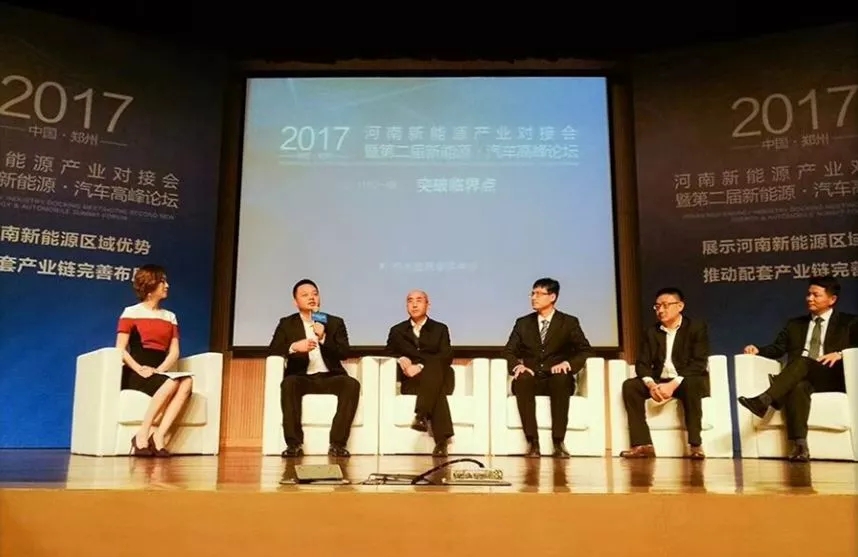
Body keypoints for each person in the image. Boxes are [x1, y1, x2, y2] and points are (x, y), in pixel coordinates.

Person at [737, 275, 857, 462]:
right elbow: (777, 349)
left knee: (802, 361)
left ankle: (767, 398)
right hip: (801, 376)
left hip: (831, 376)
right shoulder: (795, 324)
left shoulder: (849, 322)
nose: (810, 298)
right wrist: (758, 350)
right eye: (808, 294)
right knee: (798, 386)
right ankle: (800, 445)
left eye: (816, 295)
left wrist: (841, 354)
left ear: (832, 299)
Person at [502, 277, 594, 458]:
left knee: (561, 379)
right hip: (531, 378)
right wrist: (517, 366)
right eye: (532, 293)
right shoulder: (523, 323)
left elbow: (586, 350)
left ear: (552, 297)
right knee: (522, 380)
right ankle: (532, 442)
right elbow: (508, 351)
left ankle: (558, 442)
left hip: (557, 378)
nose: (533, 298)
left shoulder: (569, 322)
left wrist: (568, 364)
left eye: (539, 294)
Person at [268, 279, 359, 458]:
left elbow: (344, 352)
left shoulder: (334, 322)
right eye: (305, 295)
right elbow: (273, 350)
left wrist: (324, 337)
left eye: (315, 294)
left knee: (351, 384)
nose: (311, 297)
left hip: (330, 377)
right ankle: (294, 445)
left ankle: (337, 444)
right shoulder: (287, 323)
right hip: (302, 377)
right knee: (288, 383)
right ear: (295, 302)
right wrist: (294, 347)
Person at [618, 287, 710, 460]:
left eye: (666, 305)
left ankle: (695, 445)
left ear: (680, 306)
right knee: (630, 386)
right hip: (659, 380)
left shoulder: (696, 328)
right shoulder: (651, 332)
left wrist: (673, 384)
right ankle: (643, 444)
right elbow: (642, 364)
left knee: (692, 384)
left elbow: (698, 363)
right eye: (657, 306)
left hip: (685, 379)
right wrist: (651, 385)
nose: (660, 310)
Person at [117, 264, 193, 457]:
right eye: (162, 282)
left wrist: (159, 370)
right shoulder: (131, 312)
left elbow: (174, 352)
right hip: (135, 372)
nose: (167, 286)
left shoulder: (170, 316)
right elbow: (120, 349)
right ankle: (142, 434)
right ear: (150, 285)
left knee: (187, 381)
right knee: (171, 383)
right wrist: (139, 369)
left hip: (158, 372)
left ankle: (158, 435)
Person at [385, 289, 455, 457]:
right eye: (410, 301)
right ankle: (441, 442)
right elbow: (388, 353)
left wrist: (421, 366)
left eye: (419, 300)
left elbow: (446, 356)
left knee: (435, 367)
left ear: (427, 305)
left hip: (440, 377)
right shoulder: (397, 330)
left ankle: (421, 414)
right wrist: (401, 359)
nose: (414, 304)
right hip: (413, 382)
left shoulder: (440, 328)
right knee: (436, 390)